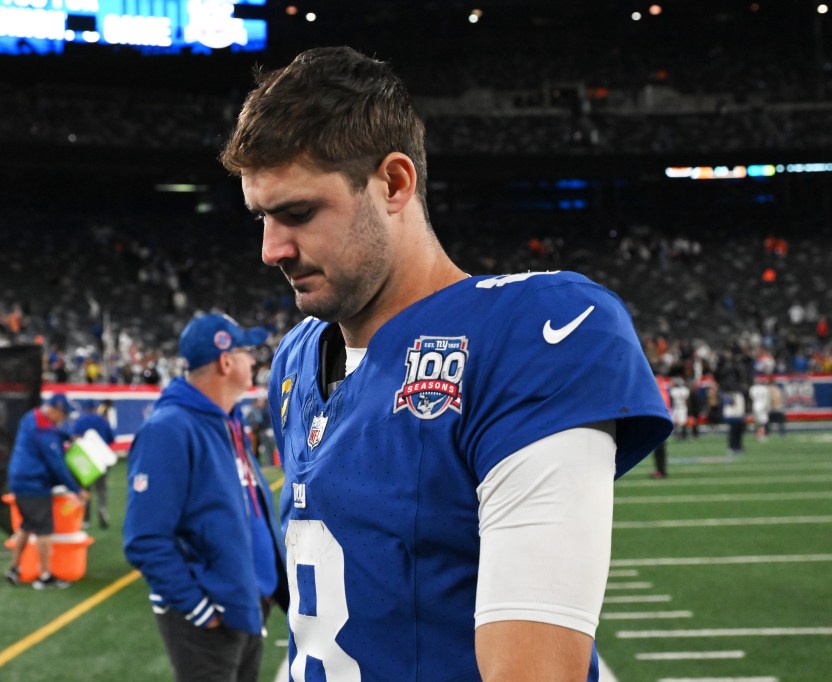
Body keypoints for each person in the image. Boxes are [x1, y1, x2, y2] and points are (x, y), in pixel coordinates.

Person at [220, 46, 672, 681]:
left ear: (395, 184)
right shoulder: (297, 359)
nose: (272, 249)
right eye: (262, 217)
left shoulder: (529, 333)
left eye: (298, 213)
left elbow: (533, 673)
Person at [123, 314, 289, 682]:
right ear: (225, 361)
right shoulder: (170, 428)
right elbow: (145, 539)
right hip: (211, 615)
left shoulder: (226, 421)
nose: (254, 362)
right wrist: (200, 609)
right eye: (246, 353)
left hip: (244, 602)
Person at [5, 393, 89, 590]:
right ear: (55, 410)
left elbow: (51, 434)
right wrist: (77, 490)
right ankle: (44, 576)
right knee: (44, 530)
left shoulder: (31, 418)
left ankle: (13, 568)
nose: (63, 419)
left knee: (26, 526)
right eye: (63, 414)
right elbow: (57, 465)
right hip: (34, 484)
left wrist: (67, 437)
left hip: (19, 481)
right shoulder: (44, 432)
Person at [72, 399, 116, 529]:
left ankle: (85, 518)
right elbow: (112, 439)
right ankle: (102, 509)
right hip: (101, 459)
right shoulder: (102, 420)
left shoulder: (80, 421)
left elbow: (74, 439)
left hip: (86, 460)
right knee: (101, 488)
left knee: (85, 488)